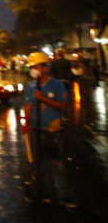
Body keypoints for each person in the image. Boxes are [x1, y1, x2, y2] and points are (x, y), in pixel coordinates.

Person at [23, 51, 73, 207]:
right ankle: (43, 193)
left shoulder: (57, 85)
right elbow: (28, 106)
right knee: (39, 164)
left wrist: (44, 99)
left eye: (36, 66)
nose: (33, 69)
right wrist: (26, 124)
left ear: (44, 68)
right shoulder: (30, 87)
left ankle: (65, 196)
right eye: (31, 67)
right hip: (35, 130)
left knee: (57, 163)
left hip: (53, 130)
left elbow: (64, 105)